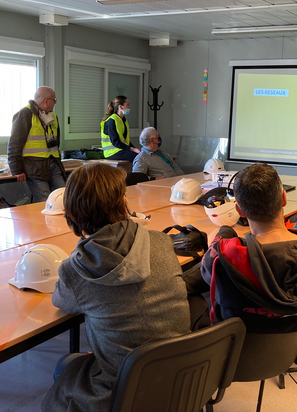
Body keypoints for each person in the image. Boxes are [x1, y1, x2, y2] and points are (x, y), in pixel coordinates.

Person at [41, 163, 190, 412]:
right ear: (123, 204)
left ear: (71, 212)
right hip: (180, 374)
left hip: (122, 389)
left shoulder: (75, 270)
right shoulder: (162, 242)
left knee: (67, 366)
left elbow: (61, 301)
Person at [184, 163, 297, 333]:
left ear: (239, 210)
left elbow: (189, 281)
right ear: (284, 198)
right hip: (290, 348)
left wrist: (222, 235)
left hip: (232, 350)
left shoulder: (223, 255)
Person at [8, 87, 66, 203]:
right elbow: (14, 144)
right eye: (54, 100)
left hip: (53, 162)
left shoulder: (53, 116)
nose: (55, 103)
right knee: (45, 201)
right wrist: (17, 170)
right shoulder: (25, 114)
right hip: (34, 167)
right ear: (46, 101)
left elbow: (56, 141)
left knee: (63, 197)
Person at [100, 95, 140, 162]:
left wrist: (136, 149)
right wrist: (133, 149)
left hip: (121, 150)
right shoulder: (111, 121)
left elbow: (126, 141)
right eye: (127, 104)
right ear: (120, 107)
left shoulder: (123, 120)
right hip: (112, 153)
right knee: (138, 157)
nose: (129, 106)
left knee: (141, 155)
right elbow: (115, 142)